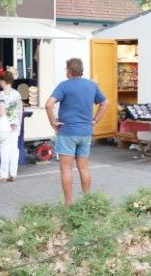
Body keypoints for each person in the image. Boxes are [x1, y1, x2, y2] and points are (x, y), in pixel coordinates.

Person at [45, 58, 110, 206]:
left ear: (69, 70)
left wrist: (53, 123)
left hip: (67, 132)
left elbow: (49, 105)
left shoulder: (64, 86)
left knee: (66, 168)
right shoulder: (92, 85)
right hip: (85, 132)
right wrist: (95, 120)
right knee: (84, 167)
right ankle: (87, 201)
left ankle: (68, 203)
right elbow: (105, 103)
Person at [0, 70, 23, 183]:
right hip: (15, 124)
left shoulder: (1, 94)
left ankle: (3, 175)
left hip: (5, 125)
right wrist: (19, 123)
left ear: (2, 81)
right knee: (14, 149)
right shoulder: (17, 93)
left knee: (4, 149)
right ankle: (13, 173)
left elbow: (1, 111)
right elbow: (20, 110)